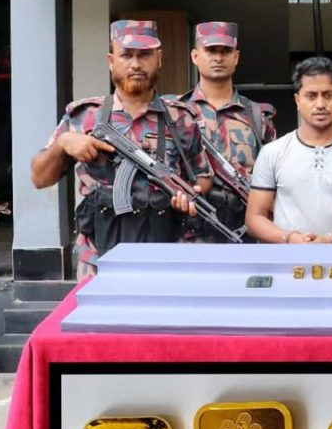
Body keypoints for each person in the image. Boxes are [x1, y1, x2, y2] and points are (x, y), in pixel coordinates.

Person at [30, 19, 212, 278]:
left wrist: (187, 195)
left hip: (166, 255)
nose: (135, 64)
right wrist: (63, 144)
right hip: (98, 258)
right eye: (126, 55)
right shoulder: (83, 117)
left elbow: (202, 177)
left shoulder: (181, 118)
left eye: (144, 55)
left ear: (159, 59)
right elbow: (39, 178)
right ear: (111, 61)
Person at [245, 57, 332, 244]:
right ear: (297, 100)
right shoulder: (272, 153)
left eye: (328, 95)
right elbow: (254, 218)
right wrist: (290, 238)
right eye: (311, 96)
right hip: (288, 260)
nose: (320, 104)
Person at [178, 21, 277, 240]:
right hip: (190, 230)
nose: (218, 58)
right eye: (211, 50)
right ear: (195, 56)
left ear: (236, 57)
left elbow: (274, 175)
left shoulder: (258, 116)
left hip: (245, 230)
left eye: (225, 51)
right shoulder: (176, 112)